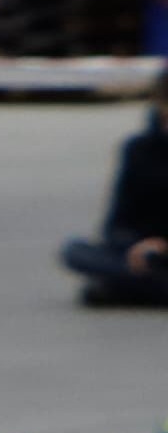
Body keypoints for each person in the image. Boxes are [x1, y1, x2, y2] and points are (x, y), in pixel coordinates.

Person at [58, 73, 168, 306]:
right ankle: (142, 285)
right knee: (74, 252)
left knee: (106, 285)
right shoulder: (138, 149)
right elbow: (117, 220)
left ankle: (127, 288)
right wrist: (133, 246)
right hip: (140, 252)